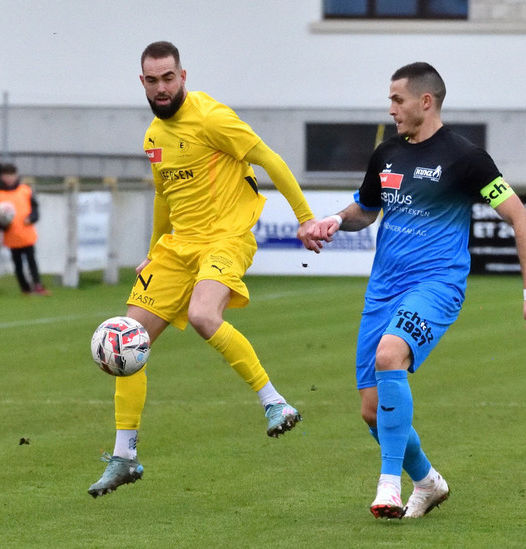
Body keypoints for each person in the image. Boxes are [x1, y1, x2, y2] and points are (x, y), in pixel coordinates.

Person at [306, 62, 526, 519]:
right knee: (372, 411)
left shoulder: (466, 158)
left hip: (436, 285)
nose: (391, 109)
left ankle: (388, 485)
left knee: (389, 356)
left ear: (425, 101)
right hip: (383, 289)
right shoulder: (386, 153)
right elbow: (367, 208)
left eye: (397, 100)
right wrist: (335, 220)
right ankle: (427, 482)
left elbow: (520, 218)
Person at [87, 41, 320, 498]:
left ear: (183, 75)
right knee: (126, 339)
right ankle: (124, 457)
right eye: (152, 80)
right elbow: (164, 196)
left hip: (225, 238)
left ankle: (274, 402)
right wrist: (153, 250)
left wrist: (305, 218)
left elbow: (269, 159)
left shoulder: (212, 118)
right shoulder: (153, 137)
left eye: (168, 78)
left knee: (202, 315)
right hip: (178, 247)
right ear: (142, 82)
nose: (161, 87)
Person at [0, 163, 50, 296]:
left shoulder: (25, 190)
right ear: (2, 177)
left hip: (27, 234)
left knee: (31, 261)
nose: (9, 178)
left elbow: (35, 209)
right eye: (6, 175)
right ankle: (25, 288)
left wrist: (32, 218)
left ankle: (37, 285)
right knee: (17, 264)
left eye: (11, 175)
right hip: (12, 235)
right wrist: (3, 224)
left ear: (16, 176)